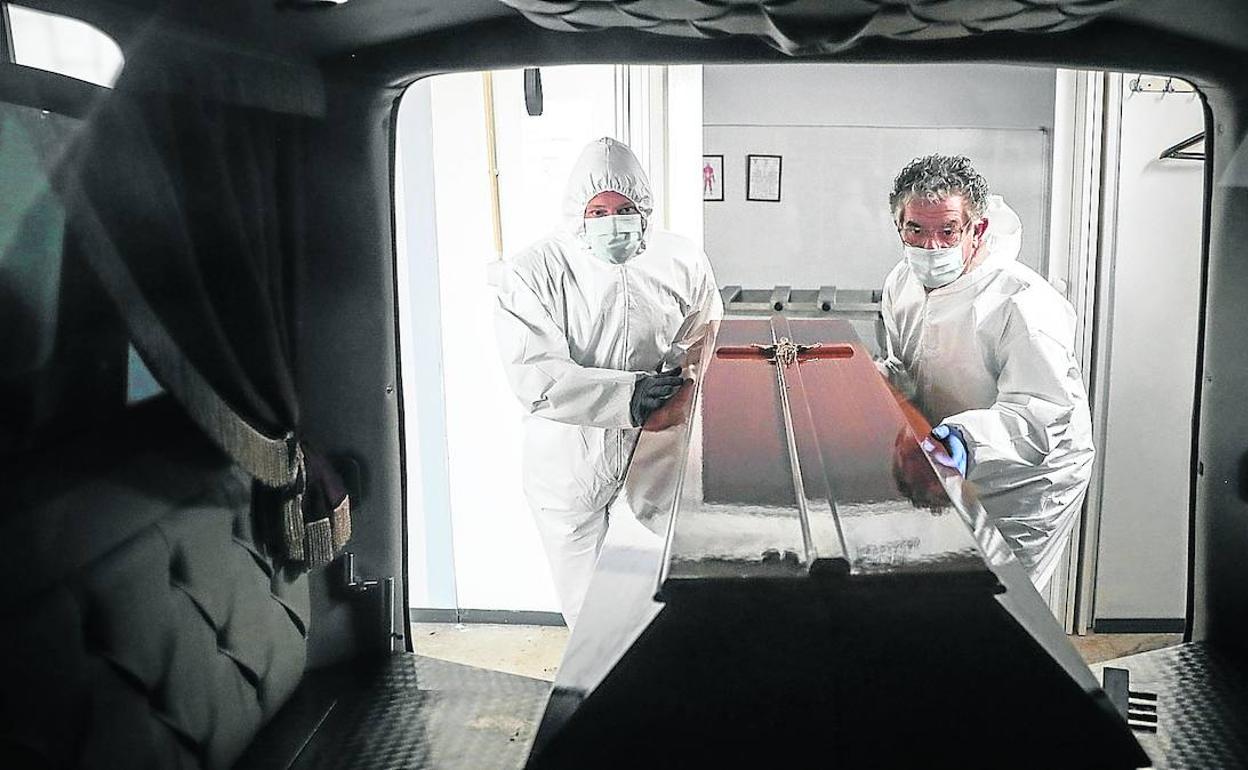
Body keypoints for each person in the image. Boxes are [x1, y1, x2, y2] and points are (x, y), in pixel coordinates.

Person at [494, 137, 722, 629]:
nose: (612, 222)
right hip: (570, 456)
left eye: (625, 210)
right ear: (577, 212)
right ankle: (597, 670)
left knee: (657, 592)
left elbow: (703, 333)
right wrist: (627, 396)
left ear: (645, 209)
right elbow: (534, 371)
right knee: (586, 609)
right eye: (598, 212)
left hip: (654, 445)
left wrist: (683, 389)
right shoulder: (536, 270)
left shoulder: (680, 259)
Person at [879, 154, 1094, 590]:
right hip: (948, 459)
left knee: (1003, 596)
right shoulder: (901, 283)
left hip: (1025, 479)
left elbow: (1041, 414)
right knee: (951, 580)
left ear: (976, 230)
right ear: (898, 226)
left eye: (947, 231)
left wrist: (963, 439)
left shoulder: (1023, 302)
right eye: (915, 230)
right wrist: (881, 380)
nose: (930, 247)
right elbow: (910, 365)